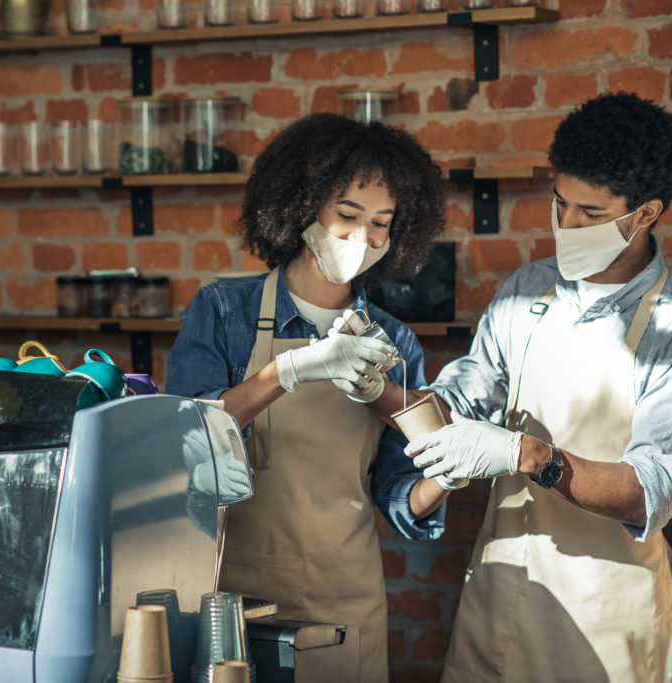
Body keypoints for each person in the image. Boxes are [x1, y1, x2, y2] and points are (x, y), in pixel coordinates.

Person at [362, 92, 672, 682]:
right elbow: (456, 404)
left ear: (646, 213)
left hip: (610, 623)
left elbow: (651, 491)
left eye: (591, 213)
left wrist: (527, 455)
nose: (566, 224)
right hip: (499, 598)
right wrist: (374, 387)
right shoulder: (525, 291)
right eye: (560, 203)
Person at [165, 112, 450, 682]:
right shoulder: (224, 311)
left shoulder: (393, 342)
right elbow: (185, 451)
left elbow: (397, 494)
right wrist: (286, 371)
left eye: (380, 223)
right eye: (346, 214)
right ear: (302, 205)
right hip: (234, 601)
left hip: (346, 599)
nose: (361, 238)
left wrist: (448, 472)